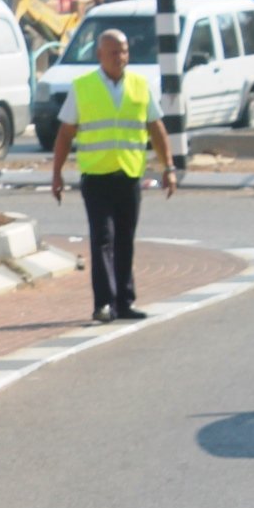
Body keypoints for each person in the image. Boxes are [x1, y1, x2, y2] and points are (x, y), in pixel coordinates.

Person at [48, 28, 177, 323]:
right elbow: (65, 133)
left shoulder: (140, 86)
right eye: (113, 52)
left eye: (124, 52)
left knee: (125, 240)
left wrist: (168, 167)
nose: (120, 58)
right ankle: (103, 303)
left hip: (130, 174)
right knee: (103, 238)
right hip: (97, 176)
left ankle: (124, 301)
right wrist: (56, 174)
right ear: (99, 56)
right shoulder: (83, 87)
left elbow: (156, 128)